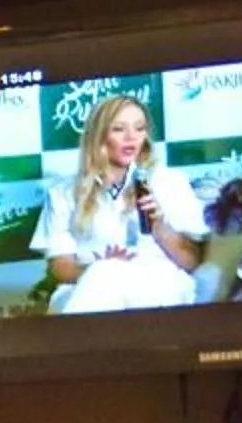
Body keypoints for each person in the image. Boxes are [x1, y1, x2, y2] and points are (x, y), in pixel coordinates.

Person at [30, 95, 210, 313]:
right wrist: (98, 268)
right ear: (99, 135)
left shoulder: (170, 181)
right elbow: (60, 267)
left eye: (139, 128)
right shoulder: (63, 192)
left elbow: (191, 262)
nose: (131, 137)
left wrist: (160, 227)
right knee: (104, 275)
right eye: (118, 129)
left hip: (158, 283)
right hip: (87, 284)